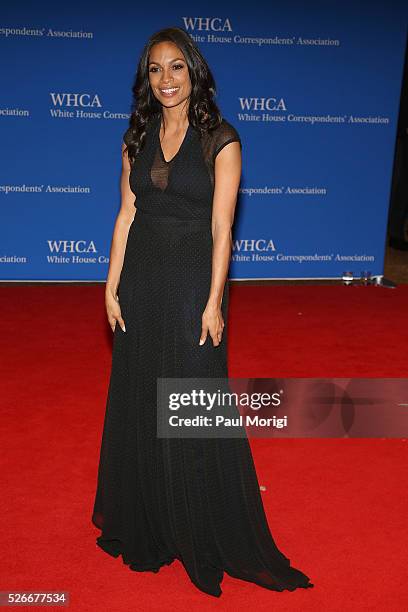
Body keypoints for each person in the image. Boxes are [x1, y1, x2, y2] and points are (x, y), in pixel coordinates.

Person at [91, 26, 314, 598]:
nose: (166, 80)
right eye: (156, 70)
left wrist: (215, 302)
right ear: (148, 79)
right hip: (141, 279)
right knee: (141, 393)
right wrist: (111, 285)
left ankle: (201, 521)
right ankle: (149, 520)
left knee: (190, 399)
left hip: (191, 280)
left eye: (176, 68)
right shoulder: (135, 135)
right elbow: (125, 215)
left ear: (195, 72)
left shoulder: (222, 138)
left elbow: (222, 228)